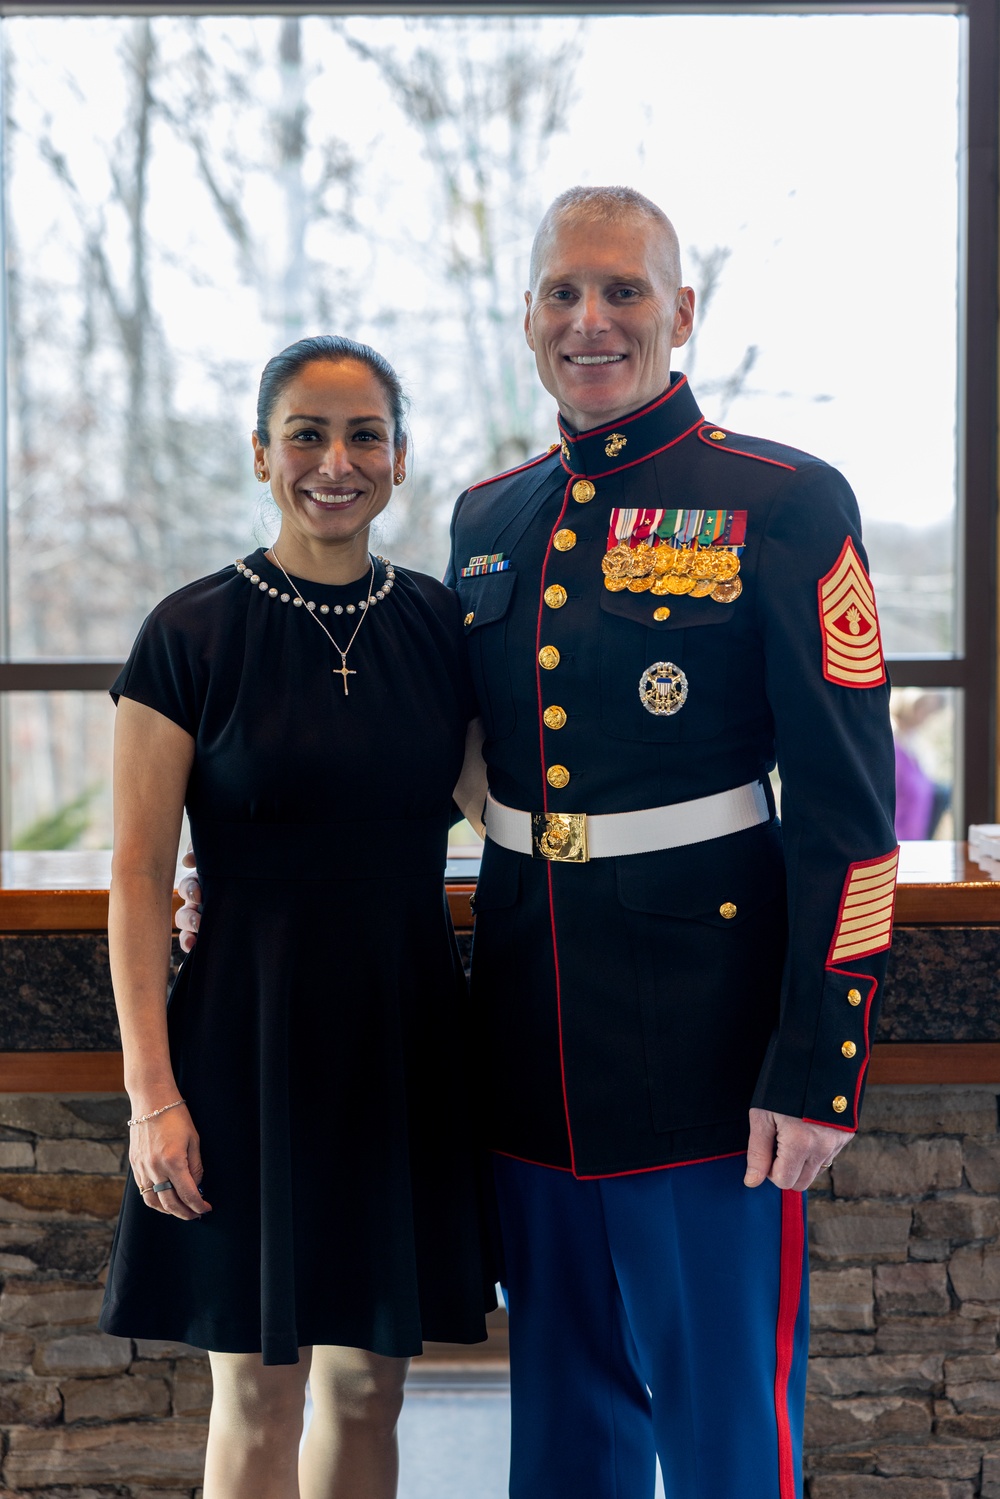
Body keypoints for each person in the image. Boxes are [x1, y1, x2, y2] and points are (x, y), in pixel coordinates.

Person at [180, 189, 896, 1499]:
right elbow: (433, 751)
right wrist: (230, 857)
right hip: (526, 1032)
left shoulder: (783, 500)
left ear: (681, 313)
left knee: (728, 1414)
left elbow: (851, 820)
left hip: (711, 1040)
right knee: (564, 1417)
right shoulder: (489, 519)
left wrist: (819, 1060)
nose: (592, 318)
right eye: (563, 292)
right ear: (526, 318)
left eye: (624, 291)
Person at [100, 335, 496, 1499]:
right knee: (258, 1389)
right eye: (307, 434)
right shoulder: (189, 634)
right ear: (261, 454)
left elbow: (513, 810)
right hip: (239, 1044)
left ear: (402, 457)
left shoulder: (440, 630)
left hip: (402, 1041)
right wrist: (150, 1095)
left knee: (372, 1385)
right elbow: (135, 874)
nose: (337, 460)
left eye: (364, 433)